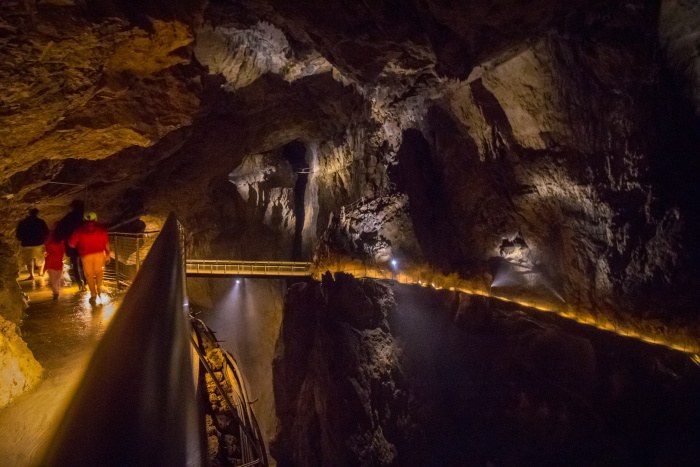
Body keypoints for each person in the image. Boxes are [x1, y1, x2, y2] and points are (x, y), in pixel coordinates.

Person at [69, 212, 110, 303]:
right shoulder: (101, 230)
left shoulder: (78, 230)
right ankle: (99, 287)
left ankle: (93, 294)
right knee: (99, 271)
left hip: (86, 255)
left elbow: (72, 244)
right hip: (99, 254)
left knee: (89, 275)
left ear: (84, 220)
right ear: (95, 220)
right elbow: (106, 243)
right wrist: (107, 255)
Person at [55, 200, 86, 289]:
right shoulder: (83, 217)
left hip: (71, 244)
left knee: (75, 265)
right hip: (83, 244)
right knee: (83, 264)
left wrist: (59, 239)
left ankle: (80, 283)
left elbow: (61, 229)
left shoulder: (68, 218)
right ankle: (86, 282)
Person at [16, 208, 49, 280]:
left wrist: (21, 239)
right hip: (38, 242)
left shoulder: (23, 222)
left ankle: (31, 275)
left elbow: (18, 234)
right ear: (37, 213)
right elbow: (46, 232)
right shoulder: (41, 222)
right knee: (40, 258)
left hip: (26, 243)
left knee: (29, 259)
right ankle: (40, 272)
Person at [45, 228, 65, 300]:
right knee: (57, 279)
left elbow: (47, 250)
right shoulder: (62, 243)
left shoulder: (49, 244)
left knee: (53, 280)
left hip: (51, 262)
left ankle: (56, 293)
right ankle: (56, 292)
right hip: (59, 262)